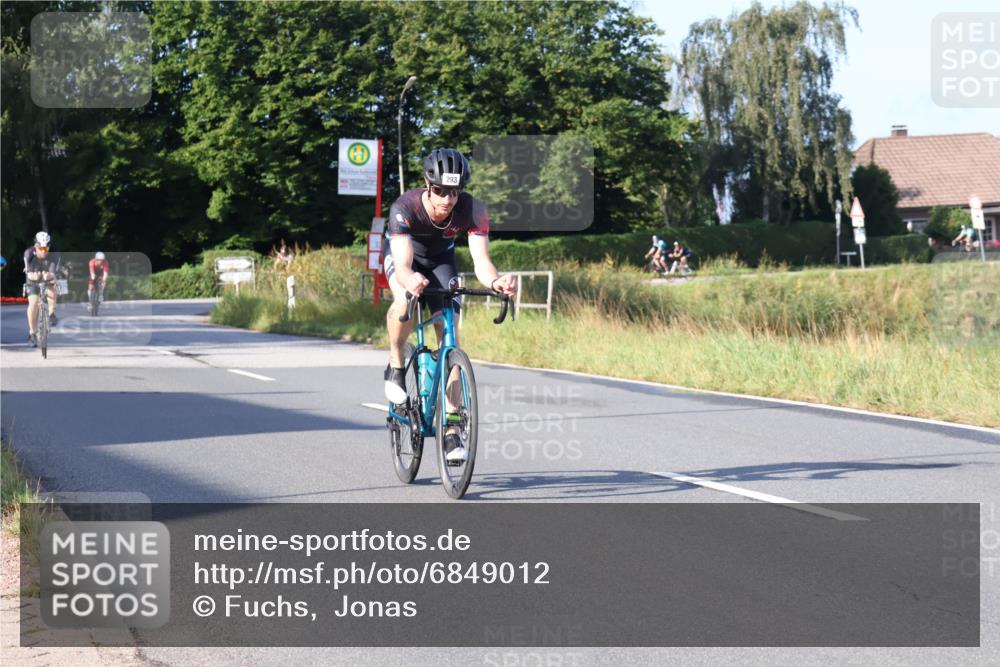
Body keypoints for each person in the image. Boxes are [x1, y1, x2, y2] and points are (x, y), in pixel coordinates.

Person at [382, 148, 517, 465]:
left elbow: (482, 263)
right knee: (403, 297)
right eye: (440, 191)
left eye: (453, 192)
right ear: (428, 186)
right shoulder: (406, 207)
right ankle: (396, 363)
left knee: (450, 335)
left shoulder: (472, 210)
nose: (447, 199)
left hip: (442, 262)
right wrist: (411, 278)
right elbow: (401, 265)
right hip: (407, 261)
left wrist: (496, 282)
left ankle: (452, 428)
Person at [23, 231, 61, 346]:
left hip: (47, 274)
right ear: (36, 246)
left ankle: (51, 313)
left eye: (46, 248)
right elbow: (29, 274)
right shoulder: (28, 253)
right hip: (33, 277)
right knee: (33, 304)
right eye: (41, 248)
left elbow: (53, 273)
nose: (44, 251)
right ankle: (32, 332)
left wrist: (48, 275)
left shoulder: (55, 253)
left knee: (52, 287)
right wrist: (36, 275)